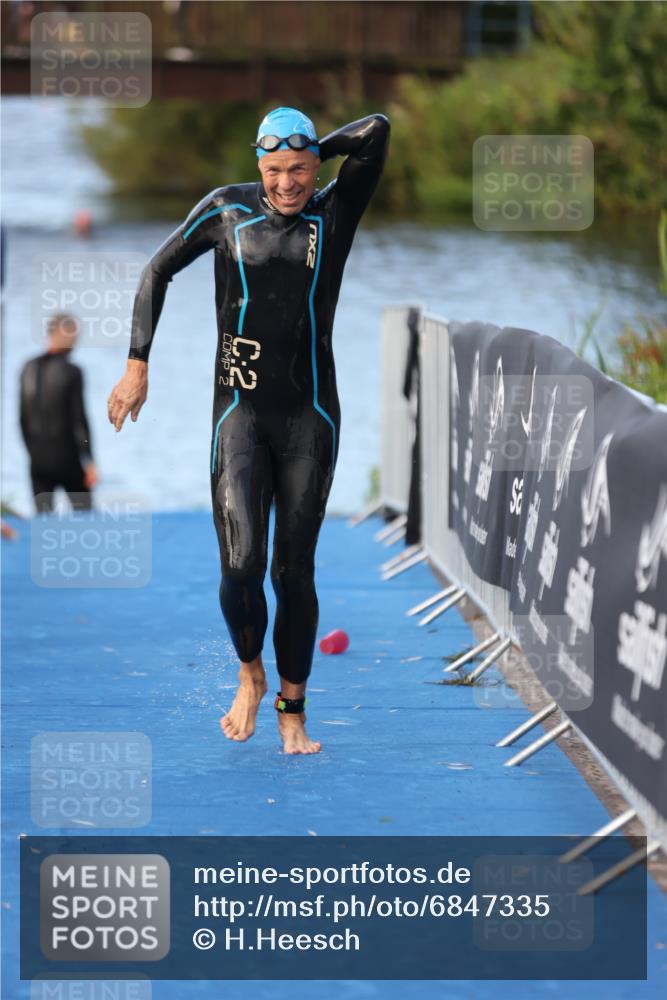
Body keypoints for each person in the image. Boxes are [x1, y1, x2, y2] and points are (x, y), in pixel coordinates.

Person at [107, 106, 390, 754]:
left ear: (315, 165)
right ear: (256, 167)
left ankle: (293, 710)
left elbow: (375, 131)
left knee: (294, 571)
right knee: (241, 565)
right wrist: (136, 365)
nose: (287, 183)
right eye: (273, 169)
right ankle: (249, 673)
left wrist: (316, 143)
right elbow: (156, 271)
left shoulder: (334, 213)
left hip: (309, 418)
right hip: (239, 413)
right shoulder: (225, 211)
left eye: (298, 168)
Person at [20, 313, 98, 512]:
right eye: (71, 335)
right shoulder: (72, 371)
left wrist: (33, 453)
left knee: (44, 522)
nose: (75, 341)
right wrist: (89, 461)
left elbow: (22, 420)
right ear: (55, 334)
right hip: (67, 459)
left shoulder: (27, 368)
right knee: (86, 518)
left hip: (37, 461)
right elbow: (79, 419)